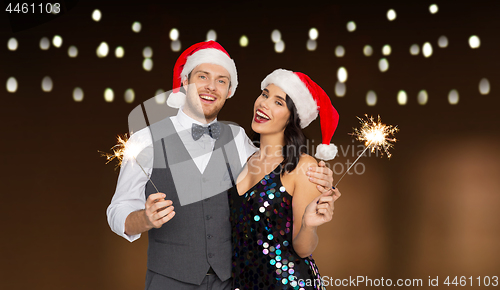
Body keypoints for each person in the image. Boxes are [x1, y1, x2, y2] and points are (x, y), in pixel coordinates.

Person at [106, 42, 335, 290]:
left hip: (231, 282)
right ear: (185, 81)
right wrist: (144, 219)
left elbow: (277, 168)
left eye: (222, 81)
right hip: (168, 281)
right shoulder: (144, 140)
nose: (211, 87)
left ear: (229, 91)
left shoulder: (238, 139)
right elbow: (118, 209)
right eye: (202, 77)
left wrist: (319, 177)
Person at [229, 69, 341, 290]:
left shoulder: (304, 166)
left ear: (293, 118)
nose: (264, 104)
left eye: (279, 102)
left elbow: (303, 248)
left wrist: (309, 226)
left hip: (287, 284)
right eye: (264, 94)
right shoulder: (241, 157)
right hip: (242, 283)